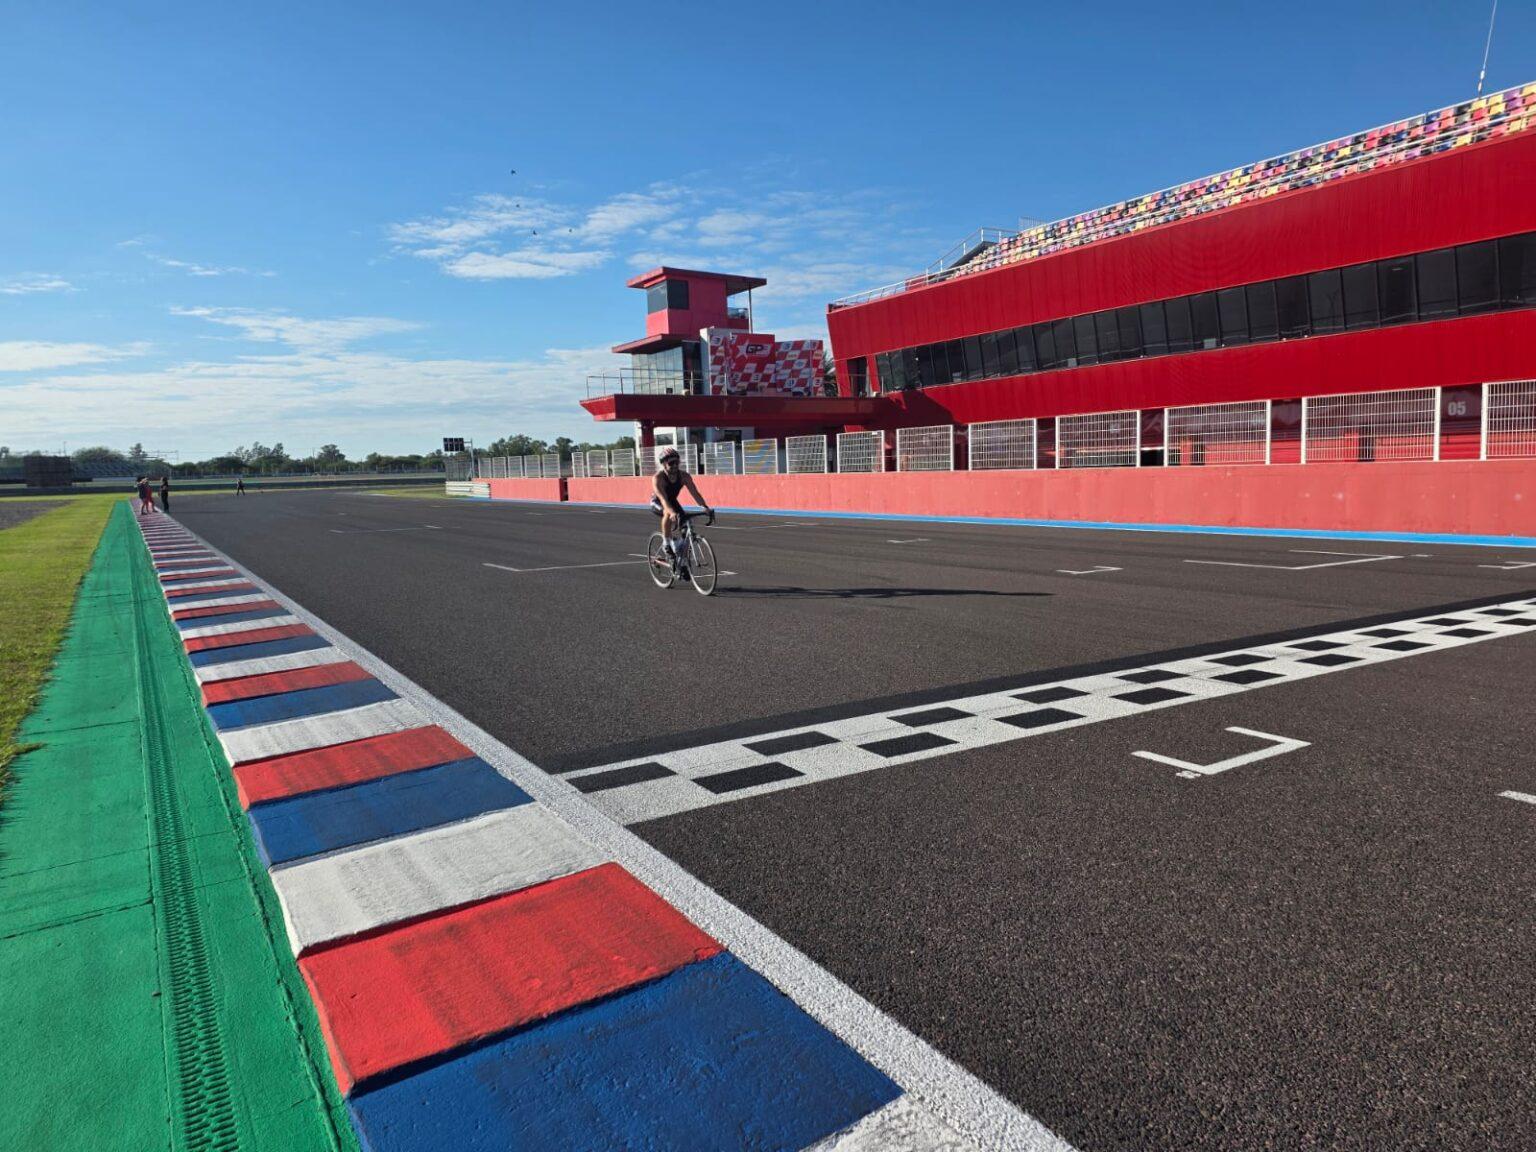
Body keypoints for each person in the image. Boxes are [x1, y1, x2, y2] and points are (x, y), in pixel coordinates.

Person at [650, 446, 711, 573]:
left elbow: (695, 494)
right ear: (663, 464)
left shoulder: (684, 476)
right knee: (668, 512)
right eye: (671, 463)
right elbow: (663, 500)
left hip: (672, 501)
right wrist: (672, 512)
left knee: (686, 528)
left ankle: (681, 561)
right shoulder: (658, 478)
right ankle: (667, 544)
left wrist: (705, 507)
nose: (674, 465)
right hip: (659, 502)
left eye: (677, 462)